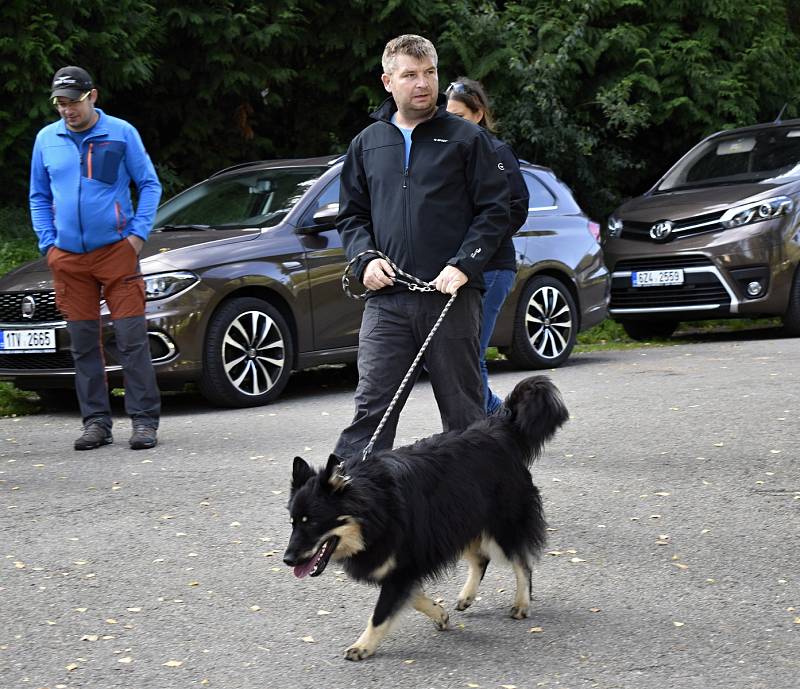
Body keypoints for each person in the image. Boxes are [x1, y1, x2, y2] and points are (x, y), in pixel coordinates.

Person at [335, 35, 511, 459]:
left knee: (464, 414)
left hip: (450, 296)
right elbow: (352, 216)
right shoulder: (367, 143)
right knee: (371, 411)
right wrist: (364, 260)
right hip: (387, 301)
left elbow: (495, 210)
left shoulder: (467, 139)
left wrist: (465, 265)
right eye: (410, 74)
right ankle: (347, 510)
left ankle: (482, 512)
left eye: (429, 73)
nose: (422, 83)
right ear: (387, 81)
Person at [29, 66, 162, 451]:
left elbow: (150, 183)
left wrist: (136, 236)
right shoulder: (46, 139)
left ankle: (143, 421)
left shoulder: (121, 133)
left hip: (116, 252)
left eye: (73, 102)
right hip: (68, 258)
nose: (66, 110)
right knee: (84, 343)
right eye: (60, 103)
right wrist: (48, 245)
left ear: (93, 97)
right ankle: (97, 423)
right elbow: (38, 195)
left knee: (132, 338)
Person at [446, 77, 529, 415]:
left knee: (470, 356)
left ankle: (499, 426)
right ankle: (503, 420)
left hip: (492, 268)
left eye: (459, 116)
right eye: (447, 116)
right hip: (459, 270)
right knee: (455, 357)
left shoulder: (496, 152)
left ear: (478, 114)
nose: (452, 123)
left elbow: (515, 207)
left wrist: (479, 244)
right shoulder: (449, 154)